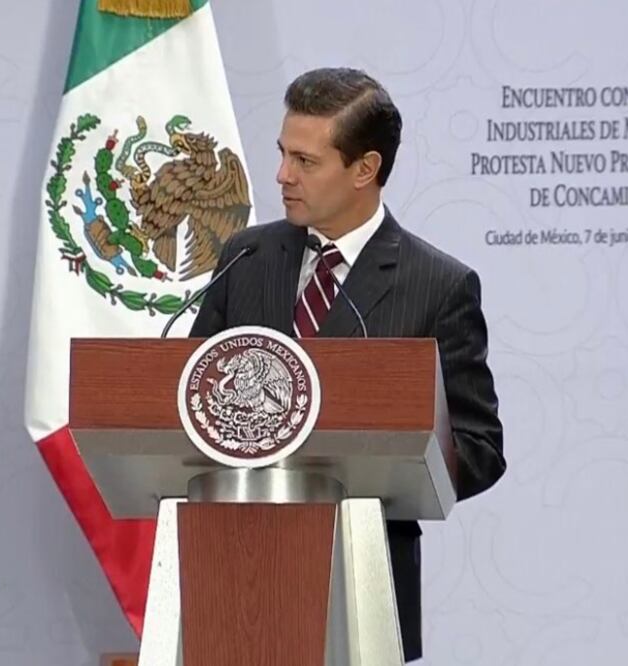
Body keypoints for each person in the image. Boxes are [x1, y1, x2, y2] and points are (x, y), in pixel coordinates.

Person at [189, 66, 505, 662]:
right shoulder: (246, 256)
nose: (283, 176)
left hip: (363, 580)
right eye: (283, 154)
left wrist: (393, 468)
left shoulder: (437, 284)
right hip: (230, 569)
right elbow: (191, 407)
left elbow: (481, 447)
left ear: (365, 169)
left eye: (306, 162)